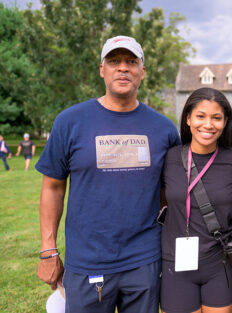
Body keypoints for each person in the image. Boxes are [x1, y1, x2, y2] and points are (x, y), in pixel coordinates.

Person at [35, 35, 180, 313]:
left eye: (131, 62)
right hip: (87, 261)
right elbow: (52, 187)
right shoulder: (70, 121)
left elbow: (168, 192)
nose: (123, 68)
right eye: (114, 61)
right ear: (102, 70)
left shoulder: (164, 129)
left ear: (142, 72)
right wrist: (48, 250)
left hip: (144, 261)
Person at [160, 87, 232, 313]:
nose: (208, 124)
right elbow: (160, 200)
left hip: (220, 262)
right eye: (200, 116)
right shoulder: (170, 158)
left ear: (225, 122)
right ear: (188, 119)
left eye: (216, 118)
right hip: (176, 263)